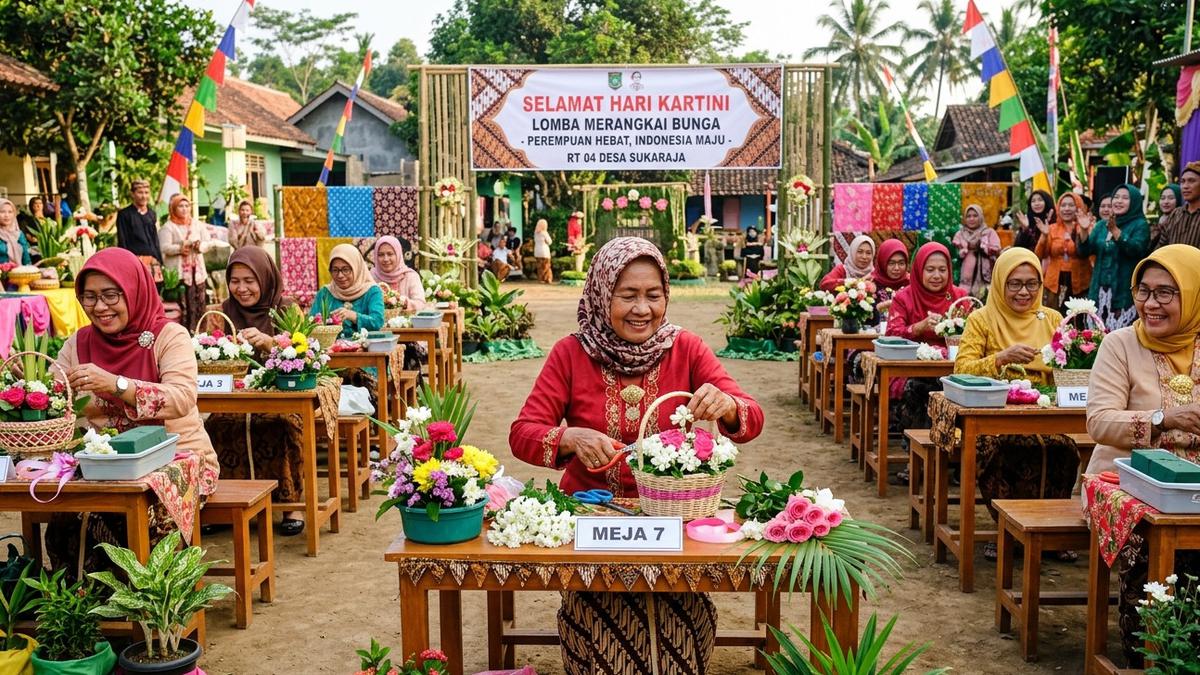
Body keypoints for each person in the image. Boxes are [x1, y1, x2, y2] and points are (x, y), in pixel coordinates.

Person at [510, 237, 763, 674]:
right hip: (591, 522)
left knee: (684, 620)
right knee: (598, 617)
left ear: (667, 295)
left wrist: (726, 406)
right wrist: (570, 438)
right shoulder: (571, 353)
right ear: (602, 292)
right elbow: (522, 433)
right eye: (626, 296)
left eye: (653, 295)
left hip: (675, 523)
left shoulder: (687, 348)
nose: (642, 309)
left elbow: (752, 416)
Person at [47, 248, 218, 576]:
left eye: (111, 295)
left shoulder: (169, 336)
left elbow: (182, 398)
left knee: (137, 519)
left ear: (134, 290)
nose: (100, 307)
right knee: (65, 518)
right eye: (90, 297)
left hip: (177, 462)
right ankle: (84, 610)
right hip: (102, 466)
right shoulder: (79, 343)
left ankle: (148, 615)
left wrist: (116, 384)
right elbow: (57, 398)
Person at [1085, 244, 1200, 664]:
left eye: (1166, 293)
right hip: (1127, 481)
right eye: (1143, 291)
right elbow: (1098, 422)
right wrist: (1162, 419)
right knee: (1157, 549)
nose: (1151, 304)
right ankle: (1149, 654)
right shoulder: (1120, 345)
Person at [952, 248, 1078, 560]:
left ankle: (1050, 532)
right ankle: (1007, 531)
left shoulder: (1053, 319)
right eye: (1015, 284)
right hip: (994, 414)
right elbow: (961, 369)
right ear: (1000, 283)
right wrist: (1000, 358)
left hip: (1046, 411)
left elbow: (1072, 365)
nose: (1024, 292)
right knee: (1008, 449)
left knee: (1062, 450)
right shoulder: (982, 319)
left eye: (1032, 284)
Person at [204, 247, 309, 535]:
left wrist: (269, 343)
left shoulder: (286, 309)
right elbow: (202, 355)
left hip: (281, 397)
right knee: (216, 425)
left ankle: (290, 505)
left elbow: (306, 355)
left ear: (265, 277)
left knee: (282, 425)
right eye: (235, 281)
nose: (241, 288)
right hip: (232, 399)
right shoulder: (220, 313)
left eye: (249, 280)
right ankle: (223, 505)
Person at [886, 243, 968, 473]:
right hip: (909, 368)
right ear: (919, 270)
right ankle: (917, 458)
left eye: (942, 270)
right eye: (930, 269)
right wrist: (918, 328)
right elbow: (892, 335)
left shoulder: (959, 297)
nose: (936, 275)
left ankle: (955, 461)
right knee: (919, 388)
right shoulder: (904, 297)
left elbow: (976, 333)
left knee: (956, 391)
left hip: (953, 369)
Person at [1077, 184, 1150, 330]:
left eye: (1125, 198)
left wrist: (1116, 231)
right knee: (1094, 334)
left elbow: (1136, 249)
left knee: (1120, 334)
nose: (1118, 201)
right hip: (1099, 289)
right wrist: (1084, 231)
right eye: (1116, 197)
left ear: (1134, 201)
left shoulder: (1140, 225)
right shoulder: (1101, 225)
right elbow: (1084, 252)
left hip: (1123, 292)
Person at [159, 194, 213, 331]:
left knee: (199, 303)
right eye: (180, 206)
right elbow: (163, 247)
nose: (184, 209)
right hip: (180, 275)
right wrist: (181, 247)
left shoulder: (197, 224)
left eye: (186, 206)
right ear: (173, 208)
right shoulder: (168, 226)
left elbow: (208, 242)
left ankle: (200, 334)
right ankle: (184, 334)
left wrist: (199, 246)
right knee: (184, 306)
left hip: (197, 273)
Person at [1035, 192, 1094, 312]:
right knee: (1053, 317)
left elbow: (1088, 252)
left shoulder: (1085, 226)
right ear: (1058, 208)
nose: (1066, 209)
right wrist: (1044, 236)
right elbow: (1040, 254)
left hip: (1081, 281)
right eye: (1063, 205)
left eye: (1071, 205)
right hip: (1054, 282)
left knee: (1078, 319)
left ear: (1078, 207)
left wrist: (1083, 230)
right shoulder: (1052, 228)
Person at [310, 243, 384, 337]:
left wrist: (353, 316)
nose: (340, 275)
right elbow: (311, 323)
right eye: (335, 270)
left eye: (346, 269)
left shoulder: (372, 291)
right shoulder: (325, 293)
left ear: (356, 268)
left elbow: (377, 322)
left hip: (366, 349)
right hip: (330, 349)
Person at [953, 203, 1001, 298]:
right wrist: (961, 252)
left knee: (985, 293)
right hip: (965, 271)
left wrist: (985, 248)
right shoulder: (960, 233)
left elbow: (997, 248)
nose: (971, 219)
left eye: (975, 216)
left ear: (981, 217)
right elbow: (954, 252)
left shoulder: (989, 232)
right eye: (968, 216)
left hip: (986, 270)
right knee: (964, 293)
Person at [371, 235, 426, 311]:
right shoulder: (371, 276)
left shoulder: (410, 276)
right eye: (381, 255)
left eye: (390, 254)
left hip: (408, 322)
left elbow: (421, 304)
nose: (386, 259)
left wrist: (404, 302)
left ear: (398, 254)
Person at [1153, 162, 1200, 248]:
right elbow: (1161, 248)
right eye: (1182, 181)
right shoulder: (1175, 214)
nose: (1185, 186)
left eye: (1191, 181)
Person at [116, 179, 163, 262]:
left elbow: (155, 239)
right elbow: (122, 240)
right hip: (134, 259)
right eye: (140, 192)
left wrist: (159, 259)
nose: (144, 196)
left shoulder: (151, 214)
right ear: (132, 194)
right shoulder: (124, 214)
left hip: (153, 259)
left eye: (146, 192)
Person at [872, 239, 910, 314]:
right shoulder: (870, 285)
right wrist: (880, 307)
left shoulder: (911, 283)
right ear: (882, 262)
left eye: (901, 263)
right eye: (891, 263)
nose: (896, 268)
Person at [0, 198, 32, 265]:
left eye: (10, 212)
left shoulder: (19, 234)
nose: (7, 215)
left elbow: (26, 258)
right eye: (2, 212)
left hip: (18, 273)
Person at [533, 218, 553, 284]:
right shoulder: (544, 233)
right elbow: (550, 242)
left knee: (539, 267)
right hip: (544, 251)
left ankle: (540, 279)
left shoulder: (536, 233)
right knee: (546, 266)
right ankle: (547, 278)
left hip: (537, 251)